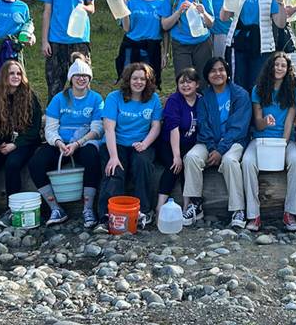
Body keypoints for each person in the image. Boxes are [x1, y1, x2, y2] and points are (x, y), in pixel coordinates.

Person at [28, 55, 104, 228]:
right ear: (71, 78)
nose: (81, 79)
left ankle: (88, 208)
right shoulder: (59, 99)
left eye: (85, 76)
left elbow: (97, 129)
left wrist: (78, 143)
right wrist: (58, 142)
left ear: (89, 78)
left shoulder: (96, 99)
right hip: (61, 143)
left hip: (84, 142)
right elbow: (50, 128)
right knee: (36, 163)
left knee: (92, 158)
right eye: (77, 75)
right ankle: (55, 207)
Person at [183, 57, 253, 229]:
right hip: (209, 142)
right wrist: (212, 148)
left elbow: (238, 128)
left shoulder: (240, 95)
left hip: (234, 142)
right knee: (191, 157)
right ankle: (195, 204)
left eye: (221, 69)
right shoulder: (205, 97)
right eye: (213, 70)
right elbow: (203, 125)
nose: (218, 73)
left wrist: (221, 150)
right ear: (207, 75)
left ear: (227, 72)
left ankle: (238, 209)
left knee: (230, 161)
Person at [241, 52, 296, 232]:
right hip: (260, 139)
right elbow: (257, 123)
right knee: (246, 162)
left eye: (283, 66)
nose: (279, 68)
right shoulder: (258, 89)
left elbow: (289, 122)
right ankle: (254, 215)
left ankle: (290, 213)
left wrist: (282, 145)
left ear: (288, 69)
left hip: (284, 140)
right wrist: (265, 121)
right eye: (276, 65)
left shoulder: (294, 91)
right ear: (270, 67)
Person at [0, 61, 42, 226]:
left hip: (23, 141)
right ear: (4, 76)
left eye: (18, 74)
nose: (15, 77)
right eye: (11, 73)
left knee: (13, 164)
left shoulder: (29, 96)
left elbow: (34, 129)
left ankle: (11, 210)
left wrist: (15, 144)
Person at [99, 62, 163, 229]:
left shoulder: (153, 99)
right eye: (135, 78)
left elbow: (156, 126)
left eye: (143, 79)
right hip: (116, 143)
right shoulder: (114, 97)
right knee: (115, 170)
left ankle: (143, 211)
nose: (139, 82)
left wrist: (145, 144)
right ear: (128, 79)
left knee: (142, 164)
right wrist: (113, 156)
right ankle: (107, 215)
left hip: (141, 143)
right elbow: (109, 128)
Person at [39, 0, 98, 100]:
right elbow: (47, 12)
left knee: (82, 80)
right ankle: (54, 120)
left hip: (79, 39)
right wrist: (45, 41)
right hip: (56, 39)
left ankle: (84, 118)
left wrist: (83, 8)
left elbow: (92, 7)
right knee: (54, 85)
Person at [220, 0, 287, 92]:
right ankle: (240, 113)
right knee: (238, 84)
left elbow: (280, 24)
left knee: (257, 86)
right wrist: (227, 0)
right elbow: (224, 18)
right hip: (239, 43)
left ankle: (256, 114)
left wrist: (281, 5)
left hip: (262, 45)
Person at [156, 68, 202, 222]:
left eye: (189, 82)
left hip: (190, 145)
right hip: (168, 144)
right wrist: (176, 156)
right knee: (174, 167)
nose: (185, 85)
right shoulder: (174, 101)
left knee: (188, 164)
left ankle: (187, 207)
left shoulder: (201, 101)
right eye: (182, 82)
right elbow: (173, 129)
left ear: (197, 84)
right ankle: (159, 207)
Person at [159, 0, 215, 81]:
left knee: (203, 81)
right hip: (180, 45)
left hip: (202, 44)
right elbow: (165, 25)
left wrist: (204, 12)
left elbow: (211, 23)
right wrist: (178, 12)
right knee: (184, 81)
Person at [111, 0, 165, 85]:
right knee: (129, 81)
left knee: (149, 82)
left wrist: (164, 54)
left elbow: (165, 31)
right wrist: (124, 9)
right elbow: (126, 28)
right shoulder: (132, 2)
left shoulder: (162, 4)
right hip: (132, 46)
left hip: (152, 49)